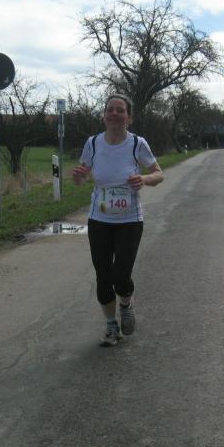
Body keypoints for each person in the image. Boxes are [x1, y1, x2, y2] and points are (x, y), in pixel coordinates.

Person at [72, 93, 164, 346]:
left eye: (120, 110)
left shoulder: (137, 144)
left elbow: (158, 173)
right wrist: (78, 177)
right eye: (110, 109)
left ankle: (126, 303)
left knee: (120, 275)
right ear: (104, 115)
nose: (114, 113)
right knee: (103, 276)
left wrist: (144, 179)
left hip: (129, 220)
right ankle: (111, 326)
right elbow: (82, 176)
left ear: (129, 118)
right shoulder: (92, 143)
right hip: (99, 219)